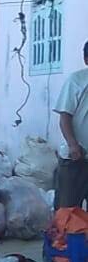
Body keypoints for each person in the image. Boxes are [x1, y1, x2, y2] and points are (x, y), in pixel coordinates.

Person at [53, 40, 88, 209]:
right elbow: (65, 116)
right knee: (67, 211)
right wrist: (73, 144)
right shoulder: (77, 80)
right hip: (76, 158)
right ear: (86, 59)